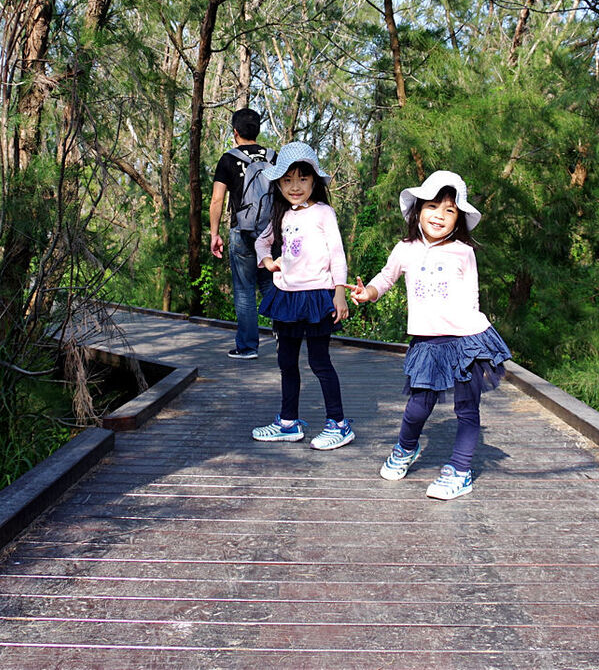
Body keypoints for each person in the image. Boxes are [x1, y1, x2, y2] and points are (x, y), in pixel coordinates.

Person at [350, 170, 511, 500]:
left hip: (466, 340)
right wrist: (369, 294)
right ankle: (405, 448)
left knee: (467, 410)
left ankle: (460, 470)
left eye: (449, 210)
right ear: (418, 210)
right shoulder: (405, 248)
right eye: (433, 206)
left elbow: (473, 296)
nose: (440, 215)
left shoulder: (463, 252)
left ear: (458, 220)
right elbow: (385, 277)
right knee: (417, 408)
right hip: (427, 342)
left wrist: (475, 333)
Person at [250, 142, 354, 450]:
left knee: (320, 362)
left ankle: (338, 424)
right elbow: (262, 243)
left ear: (314, 181)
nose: (295, 186)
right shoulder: (281, 214)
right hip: (287, 297)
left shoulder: (323, 213)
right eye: (287, 180)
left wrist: (339, 293)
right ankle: (288, 423)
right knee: (286, 361)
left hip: (317, 296)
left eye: (303, 178)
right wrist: (270, 263)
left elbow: (338, 255)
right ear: (279, 183)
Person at [209, 108, 273, 360]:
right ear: (257, 131)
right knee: (271, 286)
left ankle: (248, 347)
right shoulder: (272, 157)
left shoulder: (228, 159)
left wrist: (214, 234)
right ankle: (284, 340)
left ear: (235, 132)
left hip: (241, 231)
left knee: (245, 290)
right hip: (270, 233)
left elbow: (217, 199)